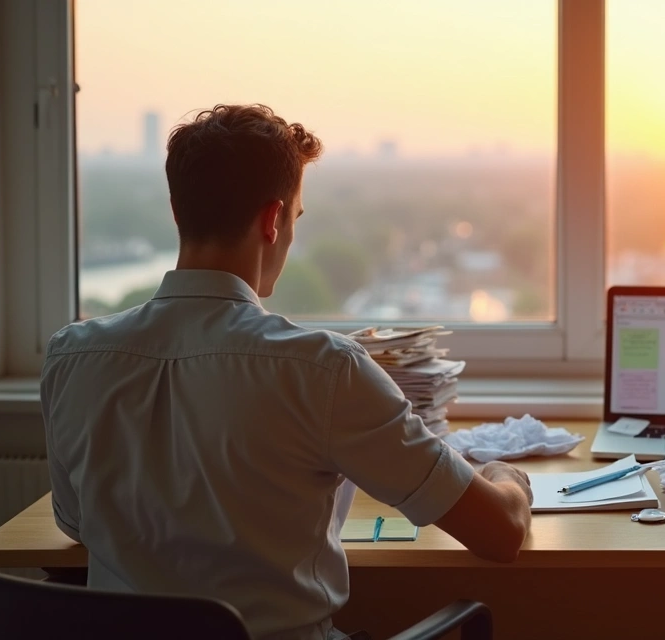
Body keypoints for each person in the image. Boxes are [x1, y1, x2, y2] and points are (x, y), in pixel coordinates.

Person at [40, 104, 533, 640]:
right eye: (296, 218)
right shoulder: (324, 370)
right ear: (273, 220)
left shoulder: (72, 357)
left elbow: (75, 526)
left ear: (178, 213)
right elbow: (500, 533)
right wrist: (508, 476)